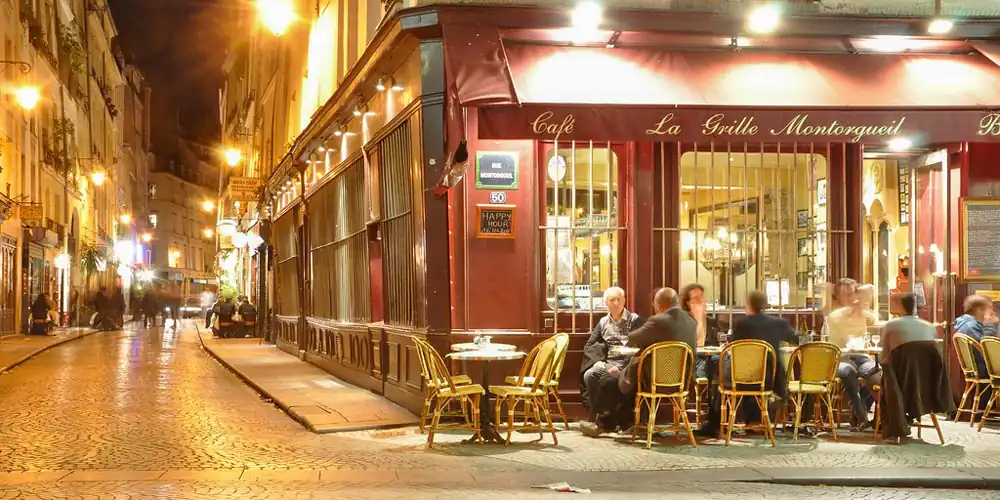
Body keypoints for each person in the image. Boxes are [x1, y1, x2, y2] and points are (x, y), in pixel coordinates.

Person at [580, 287, 696, 438]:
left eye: (654, 304)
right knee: (616, 378)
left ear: (659, 304)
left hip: (653, 379)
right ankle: (626, 423)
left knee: (607, 380)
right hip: (682, 381)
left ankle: (605, 424)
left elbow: (634, 338)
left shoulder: (658, 320)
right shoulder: (691, 321)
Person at [697, 291, 800, 436]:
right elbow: (796, 338)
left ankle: (716, 424)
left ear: (749, 305)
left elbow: (732, 345)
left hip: (742, 379)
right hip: (769, 380)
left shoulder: (742, 324)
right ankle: (755, 421)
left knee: (722, 378)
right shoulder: (779, 323)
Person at [579, 287, 642, 430]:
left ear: (625, 300)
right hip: (609, 361)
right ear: (606, 303)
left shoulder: (635, 320)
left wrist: (620, 366)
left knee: (609, 379)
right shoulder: (603, 322)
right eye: (612, 300)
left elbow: (640, 348)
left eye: (619, 299)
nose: (616, 303)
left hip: (628, 363)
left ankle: (606, 420)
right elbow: (590, 344)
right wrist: (598, 361)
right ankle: (599, 416)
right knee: (590, 375)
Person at [825, 280, 880, 430]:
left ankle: (874, 415)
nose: (848, 298)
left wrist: (861, 303)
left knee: (876, 372)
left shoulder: (865, 315)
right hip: (840, 358)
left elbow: (871, 289)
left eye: (851, 293)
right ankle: (862, 417)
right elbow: (844, 337)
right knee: (850, 372)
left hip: (861, 356)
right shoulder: (834, 316)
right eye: (844, 294)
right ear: (837, 295)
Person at [881, 292, 937, 363]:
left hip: (899, 372)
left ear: (901, 306)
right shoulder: (930, 327)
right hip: (924, 371)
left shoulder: (890, 326)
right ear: (915, 307)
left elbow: (884, 357)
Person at [955, 294, 998, 379]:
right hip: (984, 369)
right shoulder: (970, 326)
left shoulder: (968, 324)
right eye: (990, 309)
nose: (993, 312)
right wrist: (990, 324)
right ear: (980, 310)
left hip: (981, 368)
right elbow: (985, 352)